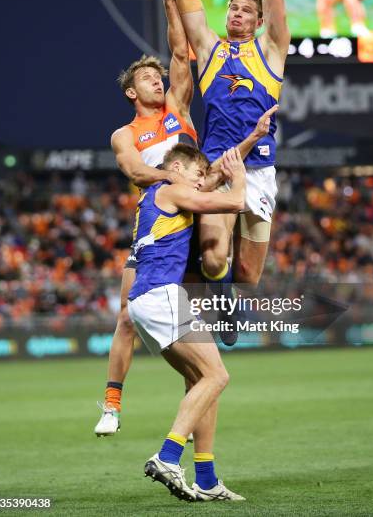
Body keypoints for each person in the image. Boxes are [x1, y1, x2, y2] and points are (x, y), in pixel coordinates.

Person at [95, 0, 278, 435]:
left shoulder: (178, 108)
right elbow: (136, 171)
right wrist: (177, 184)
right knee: (126, 312)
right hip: (161, 216)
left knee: (221, 265)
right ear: (131, 91)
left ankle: (199, 449)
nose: (158, 81)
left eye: (159, 78)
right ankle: (112, 404)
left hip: (195, 201)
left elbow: (181, 53)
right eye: (147, 79)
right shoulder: (125, 134)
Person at [176, 0, 289, 297]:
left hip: (258, 170)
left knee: (248, 275)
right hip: (216, 166)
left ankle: (228, 294)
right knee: (214, 258)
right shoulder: (210, 50)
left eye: (246, 11)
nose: (237, 14)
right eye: (233, 9)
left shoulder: (271, 52)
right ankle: (217, 292)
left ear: (259, 22)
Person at [129, 143, 246, 502]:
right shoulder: (172, 188)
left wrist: (213, 175)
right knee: (217, 376)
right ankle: (167, 456)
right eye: (197, 174)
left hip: (144, 302)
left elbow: (203, 191)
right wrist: (237, 177)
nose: (199, 182)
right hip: (162, 295)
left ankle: (207, 480)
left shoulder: (157, 195)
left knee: (200, 381)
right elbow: (234, 202)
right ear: (176, 167)